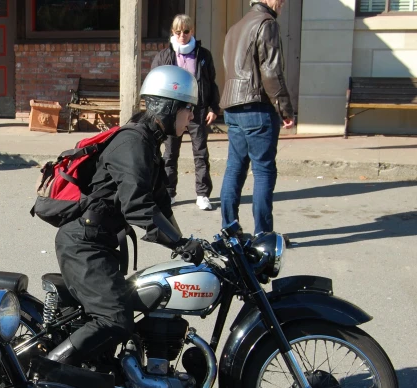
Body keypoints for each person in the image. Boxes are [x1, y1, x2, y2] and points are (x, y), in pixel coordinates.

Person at [46, 65, 205, 364]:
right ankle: (45, 371)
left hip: (99, 242)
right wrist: (180, 246)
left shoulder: (149, 143)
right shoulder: (134, 144)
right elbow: (138, 206)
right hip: (84, 246)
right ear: (167, 107)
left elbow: (160, 206)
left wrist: (185, 241)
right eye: (188, 108)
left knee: (134, 310)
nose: (192, 116)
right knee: (115, 321)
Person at [219, 0, 294, 235]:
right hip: (256, 106)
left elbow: (228, 66)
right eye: (281, 0)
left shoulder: (236, 27)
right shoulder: (267, 23)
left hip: (232, 105)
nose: (283, 4)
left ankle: (229, 229)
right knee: (263, 170)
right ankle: (264, 234)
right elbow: (271, 72)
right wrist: (285, 109)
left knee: (235, 168)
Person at [151, 14, 220, 212]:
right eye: (178, 32)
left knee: (201, 153)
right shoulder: (164, 56)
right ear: (173, 32)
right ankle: (169, 192)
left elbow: (211, 82)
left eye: (186, 31)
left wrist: (214, 108)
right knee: (170, 154)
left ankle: (202, 194)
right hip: (172, 112)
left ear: (192, 31)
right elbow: (156, 83)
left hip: (197, 110)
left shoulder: (203, 55)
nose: (182, 35)